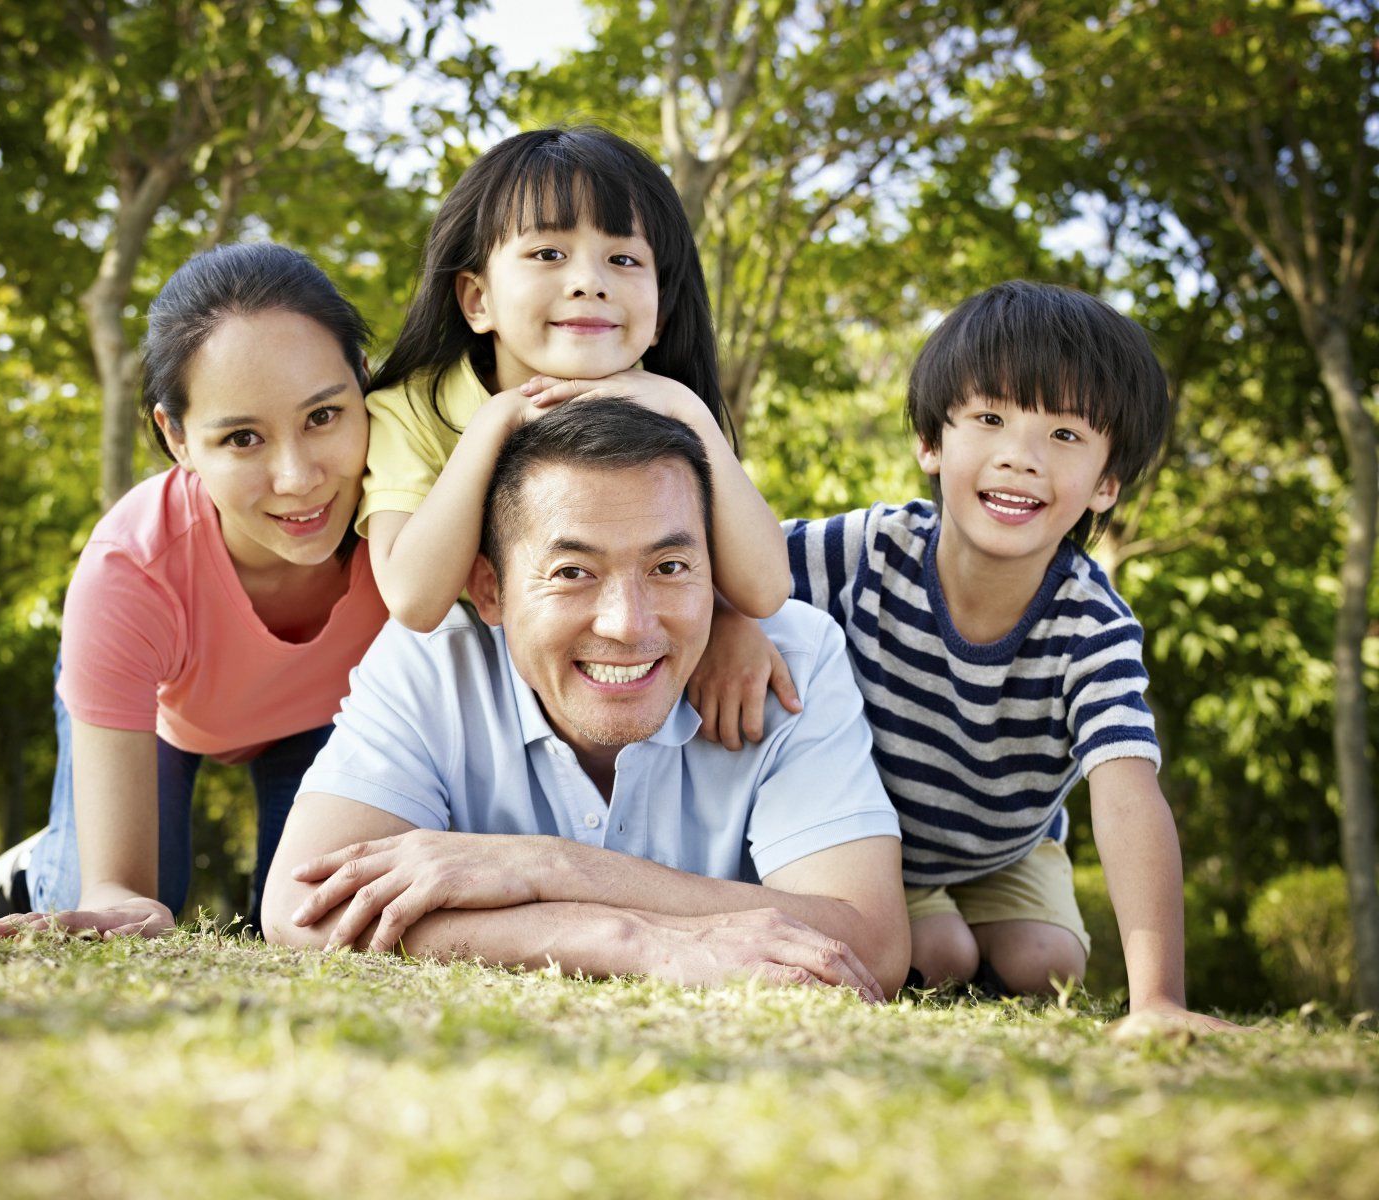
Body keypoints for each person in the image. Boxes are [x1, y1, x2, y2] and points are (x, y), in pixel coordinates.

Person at [702, 281, 1240, 1030]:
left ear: (1106, 483)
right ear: (932, 442)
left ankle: (1003, 946)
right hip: (876, 842)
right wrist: (732, 617)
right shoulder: (868, 550)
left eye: (1065, 436)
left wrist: (1157, 1000)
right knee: (939, 954)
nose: (1019, 458)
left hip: (1005, 846)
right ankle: (942, 941)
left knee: (1046, 965)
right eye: (989, 419)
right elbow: (728, 562)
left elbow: (1126, 790)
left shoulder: (1092, 624)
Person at [260, 400, 909, 994]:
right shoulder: (429, 664)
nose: (628, 624)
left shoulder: (791, 659)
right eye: (573, 573)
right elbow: (302, 910)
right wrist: (629, 942)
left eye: (670, 568)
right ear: (489, 590)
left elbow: (872, 943)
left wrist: (553, 867)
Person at [0, 243, 389, 938]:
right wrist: (113, 893)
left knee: (317, 918)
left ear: (364, 382)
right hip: (164, 716)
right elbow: (120, 891)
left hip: (327, 718)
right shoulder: (130, 570)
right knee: (130, 901)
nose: (299, 478)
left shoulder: (414, 520)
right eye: (243, 438)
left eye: (323, 417)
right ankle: (36, 865)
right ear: (178, 438)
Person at [358, 125, 791, 641]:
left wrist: (689, 411)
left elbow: (766, 591)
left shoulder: (667, 406)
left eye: (624, 259)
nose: (590, 282)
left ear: (658, 319)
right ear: (479, 300)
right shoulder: (408, 409)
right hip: (472, 662)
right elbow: (413, 600)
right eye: (548, 254)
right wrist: (499, 419)